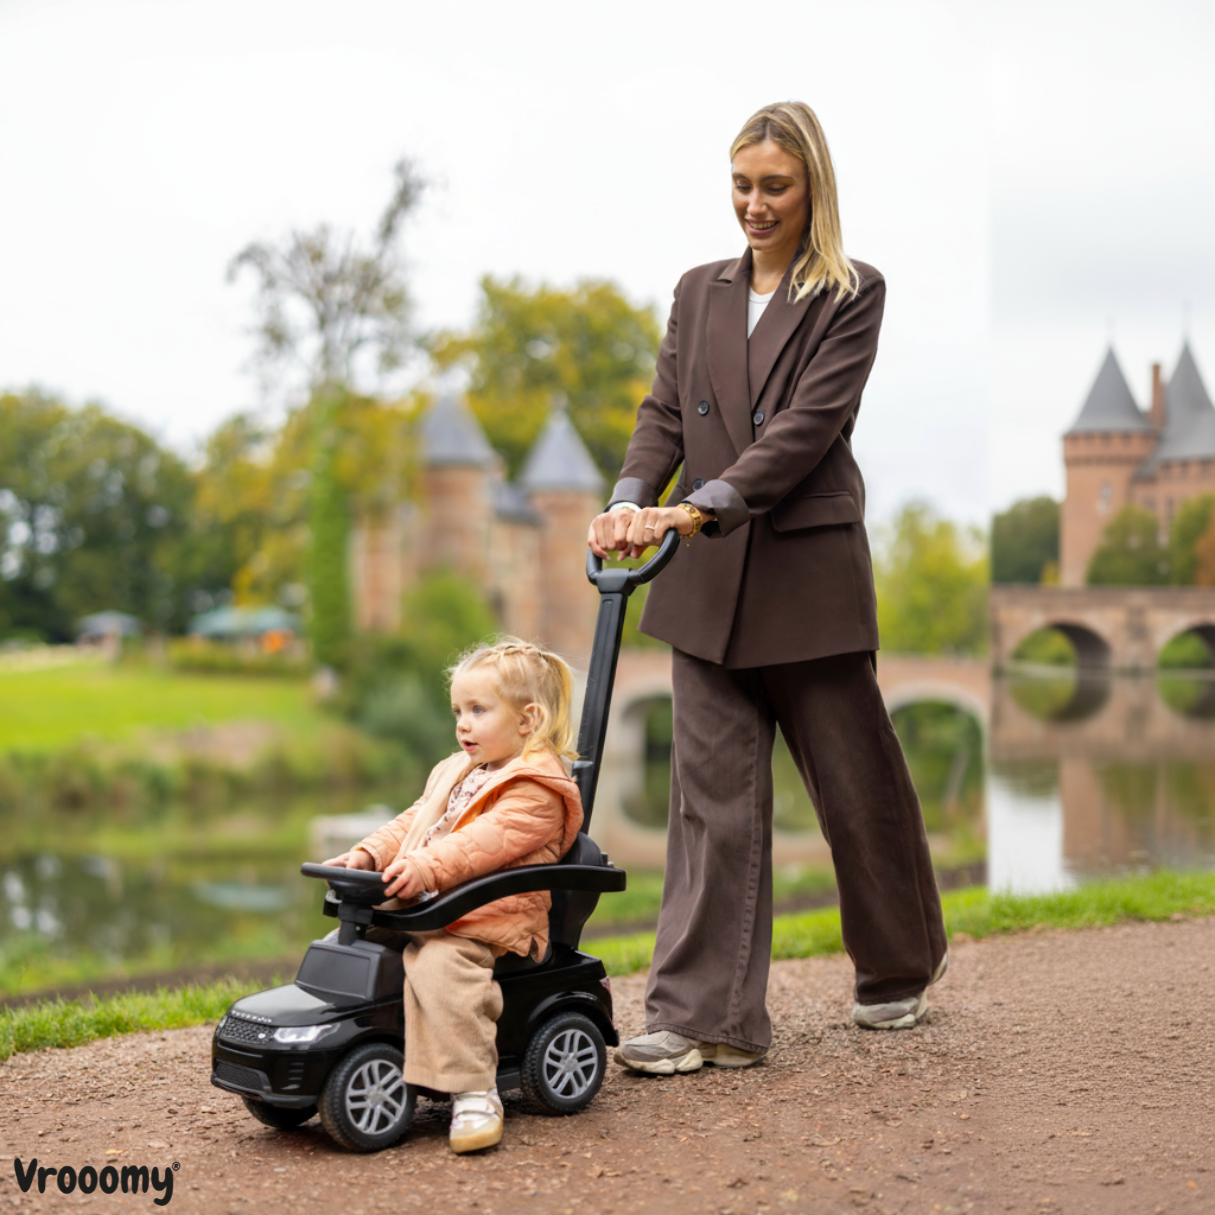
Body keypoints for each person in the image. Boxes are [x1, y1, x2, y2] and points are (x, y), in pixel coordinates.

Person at [587, 100, 948, 1076]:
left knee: (854, 786)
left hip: (804, 576)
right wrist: (630, 500)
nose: (754, 204)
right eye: (742, 185)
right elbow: (664, 410)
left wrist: (701, 504)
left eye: (774, 187)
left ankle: (896, 970)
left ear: (813, 188)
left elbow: (808, 427)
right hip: (704, 583)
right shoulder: (697, 291)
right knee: (708, 805)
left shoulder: (852, 292)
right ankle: (703, 1018)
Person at [324, 638, 583, 1151]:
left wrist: (424, 867)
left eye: (478, 710)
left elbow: (477, 845)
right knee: (349, 948)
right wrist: (370, 855)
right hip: (436, 906)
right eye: (458, 711)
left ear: (527, 720)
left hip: (489, 920)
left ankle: (474, 1091)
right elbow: (417, 821)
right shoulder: (460, 770)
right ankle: (363, 1050)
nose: (463, 723)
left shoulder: (537, 790)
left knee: (443, 967)